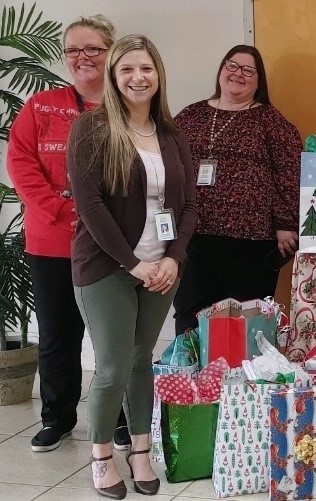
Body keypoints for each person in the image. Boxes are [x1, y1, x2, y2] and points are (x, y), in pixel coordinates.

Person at [67, 34, 197, 499]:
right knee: (112, 368)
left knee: (144, 361)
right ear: (113, 76)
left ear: (158, 74)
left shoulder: (171, 134)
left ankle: (139, 450)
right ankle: (102, 455)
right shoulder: (93, 128)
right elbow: (90, 205)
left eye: (146, 69)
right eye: (127, 70)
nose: (138, 78)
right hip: (107, 267)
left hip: (160, 269)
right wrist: (134, 263)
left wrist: (172, 259)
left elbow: (188, 207)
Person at [6, 15, 131, 453]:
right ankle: (57, 418)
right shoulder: (40, 106)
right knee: (58, 336)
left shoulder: (127, 108)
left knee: (114, 336)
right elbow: (21, 166)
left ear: (111, 51)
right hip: (53, 242)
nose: (83, 58)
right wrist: (63, 211)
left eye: (93, 48)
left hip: (113, 245)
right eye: (74, 50)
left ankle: (121, 419)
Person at [173, 44, 302, 335]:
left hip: (251, 239)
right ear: (221, 71)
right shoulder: (191, 115)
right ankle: (192, 378)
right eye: (231, 65)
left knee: (244, 322)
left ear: (258, 81)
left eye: (248, 70)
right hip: (194, 233)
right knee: (190, 315)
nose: (237, 74)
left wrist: (285, 223)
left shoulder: (270, 121)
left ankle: (242, 378)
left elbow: (289, 172)